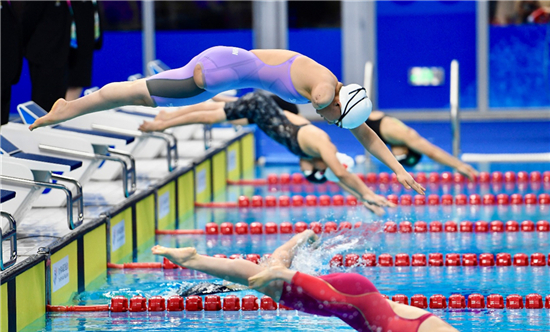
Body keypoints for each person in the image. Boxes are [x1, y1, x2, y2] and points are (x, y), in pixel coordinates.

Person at [27, 45, 424, 195]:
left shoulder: (334, 93)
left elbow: (367, 135)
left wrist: (397, 170)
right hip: (223, 70)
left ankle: (69, 108)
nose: (326, 120)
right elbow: (337, 111)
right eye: (335, 120)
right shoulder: (323, 89)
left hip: (223, 67)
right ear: (339, 104)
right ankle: (69, 108)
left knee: (141, 94)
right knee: (143, 94)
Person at [152, 231, 487, 332]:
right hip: (350, 298)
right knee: (274, 280)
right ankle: (194, 260)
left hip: (352, 304)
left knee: (270, 278)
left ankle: (295, 243)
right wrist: (291, 277)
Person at [139, 91, 395, 215]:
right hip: (263, 107)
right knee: (210, 115)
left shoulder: (312, 155)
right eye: (312, 172)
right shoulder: (321, 143)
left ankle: (170, 115)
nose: (303, 170)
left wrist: (364, 202)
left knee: (215, 108)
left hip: (263, 117)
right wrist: (369, 193)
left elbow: (337, 180)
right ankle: (163, 121)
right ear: (322, 164)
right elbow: (341, 174)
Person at [366, 111, 479, 180]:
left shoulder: (393, 137)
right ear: (406, 149)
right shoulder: (404, 135)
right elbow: (432, 152)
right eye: (400, 157)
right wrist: (458, 165)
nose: (395, 155)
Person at [65, 0, 103, 101]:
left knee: (78, 82)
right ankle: (61, 113)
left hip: (85, 43)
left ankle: (66, 112)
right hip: (66, 45)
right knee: (65, 83)